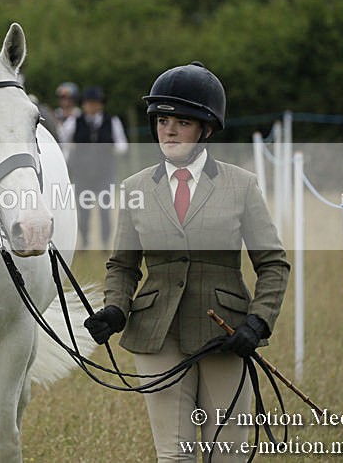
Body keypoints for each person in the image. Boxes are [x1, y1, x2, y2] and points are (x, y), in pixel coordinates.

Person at [83, 62, 290, 461]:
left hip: (225, 333)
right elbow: (123, 266)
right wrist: (115, 307)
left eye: (182, 121)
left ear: (206, 129)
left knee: (226, 453)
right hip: (156, 333)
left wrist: (258, 320)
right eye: (162, 120)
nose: (170, 130)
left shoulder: (241, 185)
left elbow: (273, 263)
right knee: (173, 454)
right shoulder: (135, 188)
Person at [60, 86, 128, 250]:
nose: (92, 106)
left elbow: (122, 145)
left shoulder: (112, 121)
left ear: (101, 105)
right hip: (82, 175)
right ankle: (85, 242)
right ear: (84, 105)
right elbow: (64, 142)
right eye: (89, 103)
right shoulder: (74, 122)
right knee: (83, 212)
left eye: (95, 103)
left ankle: (105, 243)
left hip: (105, 174)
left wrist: (111, 149)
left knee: (105, 212)